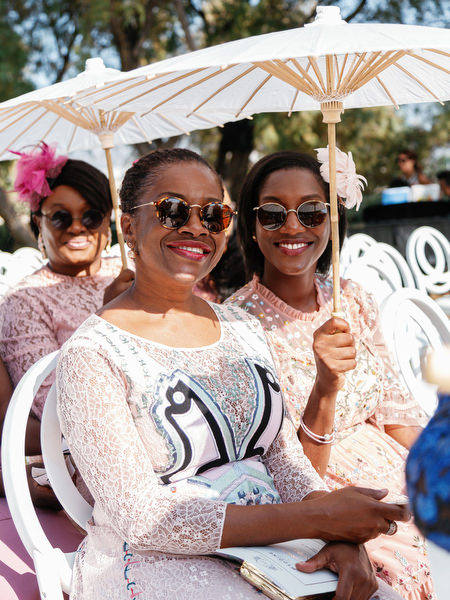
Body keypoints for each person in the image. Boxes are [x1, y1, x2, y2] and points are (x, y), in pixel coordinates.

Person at [56, 148, 409, 600]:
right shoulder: (91, 354)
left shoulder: (241, 326)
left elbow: (283, 457)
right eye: (173, 209)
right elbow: (143, 520)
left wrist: (337, 536)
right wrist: (318, 520)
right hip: (158, 561)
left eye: (213, 214)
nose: (197, 226)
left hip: (276, 550)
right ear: (128, 227)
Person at [228, 150, 434, 600]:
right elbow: (287, 472)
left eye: (311, 211)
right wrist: (325, 386)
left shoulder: (352, 299)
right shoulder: (235, 328)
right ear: (251, 226)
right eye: (273, 214)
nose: (293, 226)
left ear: (332, 220)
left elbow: (396, 411)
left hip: (398, 479)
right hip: (324, 505)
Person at [0, 142, 133, 458]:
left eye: (91, 216)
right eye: (60, 217)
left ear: (108, 222)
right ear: (38, 223)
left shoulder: (135, 272)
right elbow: (55, 407)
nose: (77, 227)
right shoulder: (24, 301)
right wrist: (107, 318)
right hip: (91, 454)